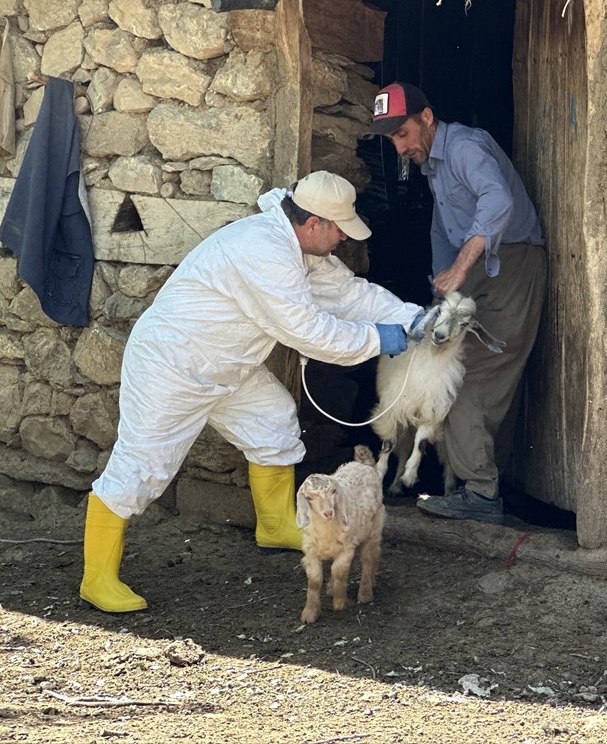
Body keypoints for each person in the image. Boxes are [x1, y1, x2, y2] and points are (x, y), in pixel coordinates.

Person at [81, 171, 423, 612]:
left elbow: (347, 295)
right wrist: (378, 339)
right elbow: (309, 332)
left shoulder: (299, 246)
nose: (343, 238)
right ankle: (97, 578)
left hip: (227, 363)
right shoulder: (265, 252)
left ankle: (275, 525)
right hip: (175, 363)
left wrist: (414, 318)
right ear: (314, 222)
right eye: (338, 229)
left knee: (274, 421)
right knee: (142, 465)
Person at [368, 82, 546, 525]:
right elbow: (441, 230)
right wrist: (440, 286)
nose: (399, 145)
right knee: (471, 372)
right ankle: (488, 483)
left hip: (509, 268)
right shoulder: (434, 167)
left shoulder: (464, 146)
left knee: (469, 376)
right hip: (483, 275)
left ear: (427, 118)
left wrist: (460, 270)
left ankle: (482, 494)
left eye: (403, 133)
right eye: (391, 138)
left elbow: (498, 200)